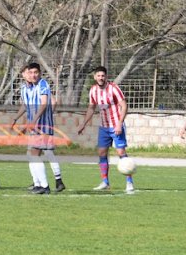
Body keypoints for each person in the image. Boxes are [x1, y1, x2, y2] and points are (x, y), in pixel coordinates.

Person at [78, 66, 134, 194]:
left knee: (121, 153)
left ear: (106, 77)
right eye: (98, 76)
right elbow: (91, 108)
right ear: (95, 77)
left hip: (116, 126)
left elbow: (124, 106)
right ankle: (105, 182)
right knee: (102, 153)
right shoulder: (93, 90)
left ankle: (129, 182)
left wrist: (120, 123)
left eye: (103, 76)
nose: (101, 78)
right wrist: (84, 124)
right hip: (103, 127)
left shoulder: (113, 88)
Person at [12, 62, 65, 194]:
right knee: (32, 154)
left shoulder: (42, 84)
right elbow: (25, 106)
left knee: (38, 153)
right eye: (30, 73)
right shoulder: (26, 88)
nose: (33, 75)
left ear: (39, 73)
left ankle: (45, 186)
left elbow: (43, 104)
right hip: (34, 127)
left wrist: (35, 121)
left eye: (35, 72)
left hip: (43, 127)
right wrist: (16, 119)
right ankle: (39, 184)